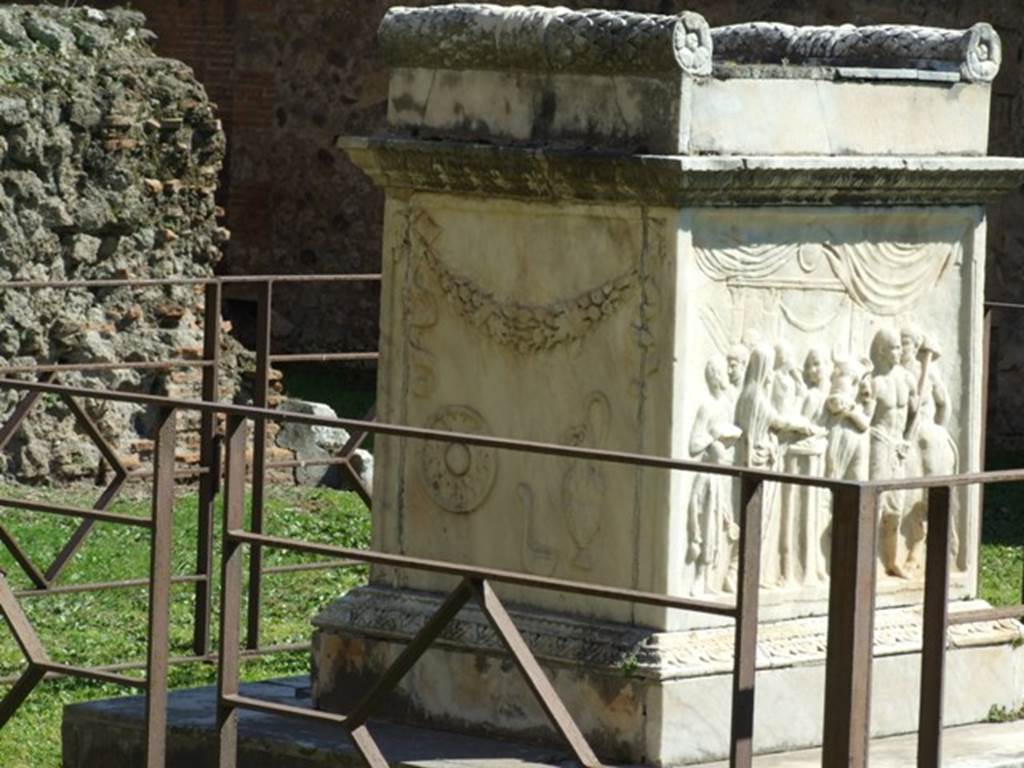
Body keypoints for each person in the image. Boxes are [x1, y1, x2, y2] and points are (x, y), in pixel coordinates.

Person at [687, 357, 742, 594]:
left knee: (720, 526)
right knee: (704, 522)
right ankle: (699, 577)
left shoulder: (728, 404)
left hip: (724, 474)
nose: (720, 377)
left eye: (719, 373)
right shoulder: (706, 407)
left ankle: (711, 578)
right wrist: (714, 435)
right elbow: (693, 445)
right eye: (715, 374)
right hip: (708, 473)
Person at [867, 328, 919, 578]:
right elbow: (865, 421)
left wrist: (907, 439)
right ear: (881, 351)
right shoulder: (876, 383)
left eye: (900, 347)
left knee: (896, 507)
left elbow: (914, 413)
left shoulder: (908, 379)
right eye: (893, 348)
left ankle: (891, 561)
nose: (898, 352)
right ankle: (868, 562)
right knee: (875, 503)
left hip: (899, 446)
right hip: (879, 442)